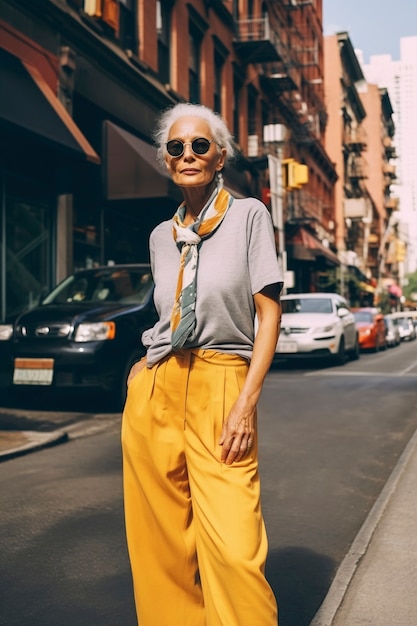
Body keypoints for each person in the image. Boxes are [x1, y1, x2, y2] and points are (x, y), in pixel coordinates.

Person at [122, 102, 283, 626]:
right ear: (167, 160)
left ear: (220, 158)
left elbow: (268, 313)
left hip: (222, 382)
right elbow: (164, 315)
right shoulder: (158, 237)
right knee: (161, 541)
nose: (186, 154)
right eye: (176, 147)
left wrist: (246, 402)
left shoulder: (249, 216)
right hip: (158, 386)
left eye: (199, 145)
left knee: (236, 547)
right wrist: (141, 370)